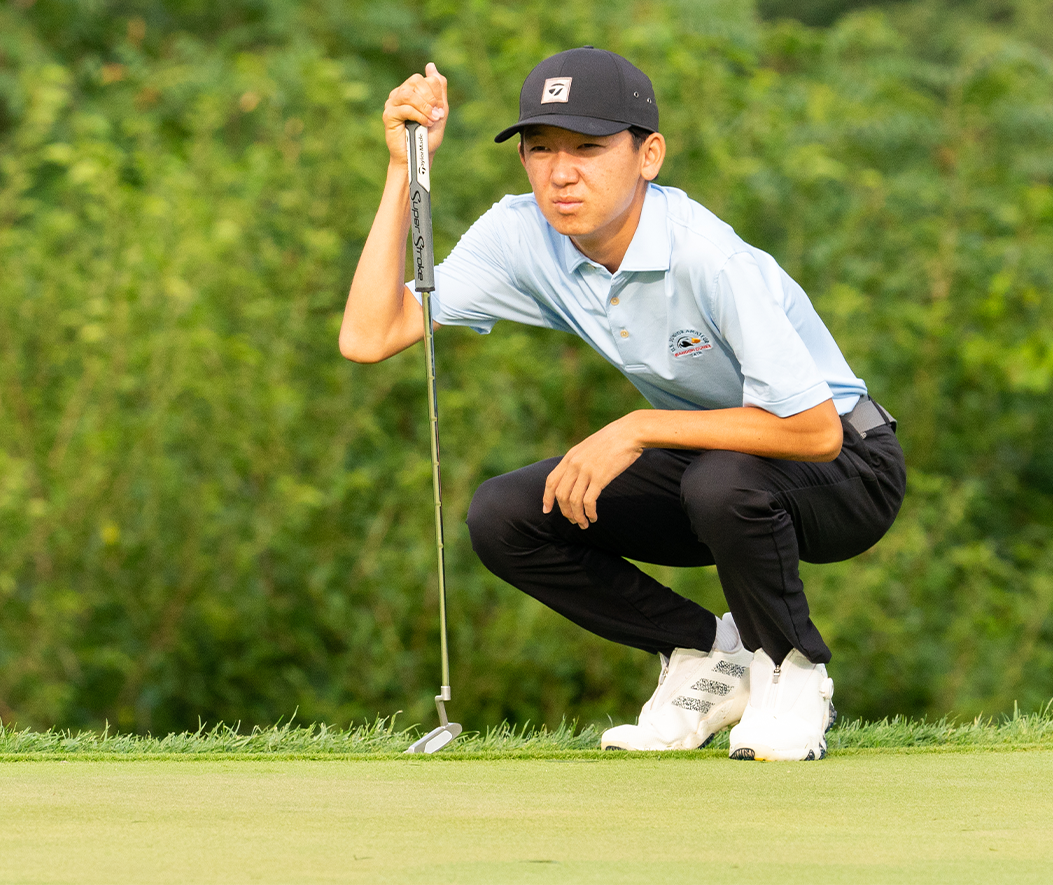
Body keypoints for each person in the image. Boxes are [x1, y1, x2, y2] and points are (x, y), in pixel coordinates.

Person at [339, 47, 905, 761]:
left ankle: (791, 672)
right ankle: (706, 654)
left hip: (849, 467)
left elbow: (816, 431)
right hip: (717, 466)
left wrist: (636, 428)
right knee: (509, 515)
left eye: (589, 148)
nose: (561, 171)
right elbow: (369, 333)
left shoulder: (706, 254)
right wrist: (403, 169)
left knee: (721, 478)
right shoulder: (521, 236)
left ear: (649, 156)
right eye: (540, 148)